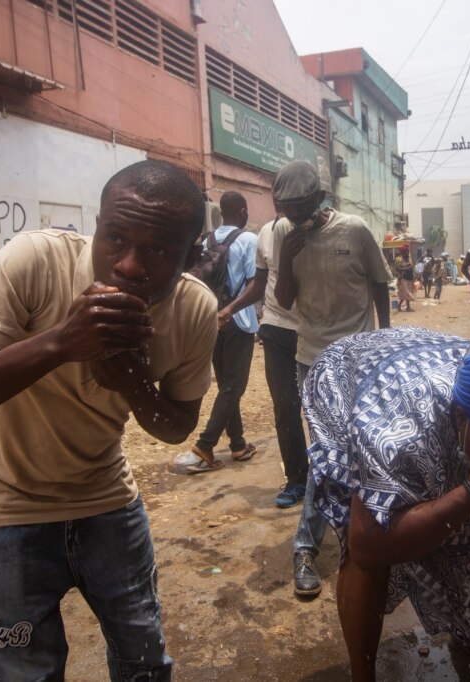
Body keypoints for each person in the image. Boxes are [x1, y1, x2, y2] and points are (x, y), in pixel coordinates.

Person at [0, 160, 216, 681]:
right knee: (26, 671)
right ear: (96, 229)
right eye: (115, 238)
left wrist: (135, 382)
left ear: (191, 256)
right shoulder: (34, 262)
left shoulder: (193, 309)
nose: (128, 266)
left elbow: (176, 428)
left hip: (107, 500)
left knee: (144, 660)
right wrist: (58, 343)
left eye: (158, 250)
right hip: (6, 506)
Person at [302, 328, 470, 681]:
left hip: (425, 362)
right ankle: (363, 673)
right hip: (350, 375)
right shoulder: (393, 427)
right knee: (371, 537)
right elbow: (368, 546)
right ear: (462, 419)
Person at [273, 159, 391, 599]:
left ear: (319, 199)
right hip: (312, 361)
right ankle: (305, 548)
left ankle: (364, 537)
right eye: (286, 209)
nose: (294, 217)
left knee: (362, 451)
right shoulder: (285, 237)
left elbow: (380, 284)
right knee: (327, 454)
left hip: (358, 359)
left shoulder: (354, 229)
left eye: (301, 208)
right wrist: (286, 257)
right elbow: (284, 300)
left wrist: (385, 340)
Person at [182, 191, 260, 472]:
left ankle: (238, 445)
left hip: (210, 319)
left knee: (227, 384)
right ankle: (205, 445)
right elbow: (255, 284)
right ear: (242, 211)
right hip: (237, 320)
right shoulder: (249, 239)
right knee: (234, 386)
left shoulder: (206, 240)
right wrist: (233, 309)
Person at [255, 206, 307, 508]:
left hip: (314, 331)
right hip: (275, 327)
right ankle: (298, 479)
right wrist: (229, 308)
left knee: (322, 407)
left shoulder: (320, 233)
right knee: (285, 407)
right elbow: (259, 285)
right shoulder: (265, 233)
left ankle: (330, 476)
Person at [394, 245, 416, 312]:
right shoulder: (399, 259)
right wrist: (406, 268)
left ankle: (404, 307)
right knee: (406, 293)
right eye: (407, 251)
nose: (408, 252)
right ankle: (403, 307)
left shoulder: (408, 258)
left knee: (407, 294)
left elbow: (411, 267)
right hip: (403, 279)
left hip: (409, 278)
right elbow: (397, 269)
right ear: (403, 252)